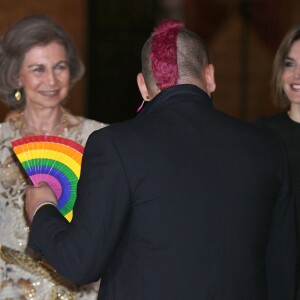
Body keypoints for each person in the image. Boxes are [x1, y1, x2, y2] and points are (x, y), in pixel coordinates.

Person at [25, 20, 298, 300]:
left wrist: (42, 208)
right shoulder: (267, 147)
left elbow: (80, 263)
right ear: (210, 77)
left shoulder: (116, 145)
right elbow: (282, 270)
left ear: (143, 86)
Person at [0, 14, 107, 299]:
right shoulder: (1, 140)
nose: (51, 79)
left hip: (81, 290)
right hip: (11, 289)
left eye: (60, 67)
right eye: (38, 69)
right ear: (15, 75)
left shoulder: (100, 139)